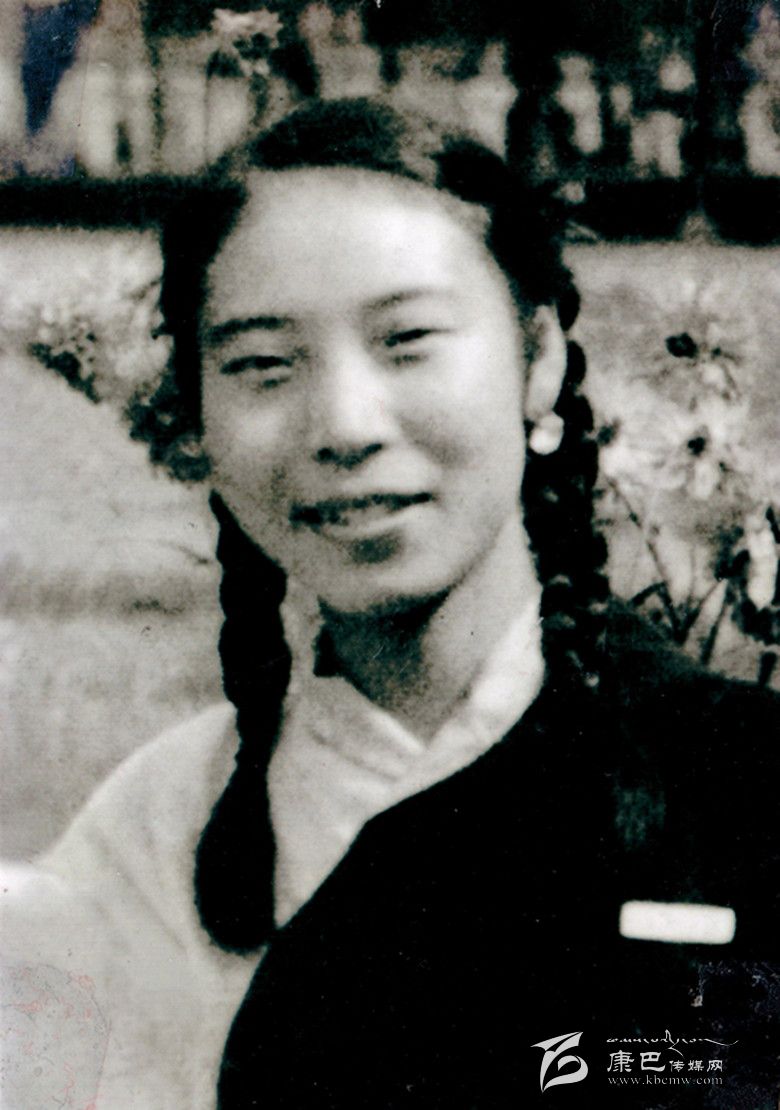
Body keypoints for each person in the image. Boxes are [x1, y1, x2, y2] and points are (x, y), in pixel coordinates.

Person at [2, 97, 778, 1109]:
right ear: (195, 415)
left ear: (538, 357)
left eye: (407, 341)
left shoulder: (743, 786)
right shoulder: (153, 845)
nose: (344, 425)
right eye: (263, 366)